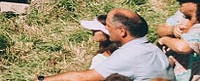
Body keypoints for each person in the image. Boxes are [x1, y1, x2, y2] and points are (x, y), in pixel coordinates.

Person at [43, 8, 171, 81]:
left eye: (109, 27)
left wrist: (44, 79)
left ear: (122, 31)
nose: (108, 31)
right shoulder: (151, 49)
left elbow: (84, 78)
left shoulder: (129, 54)